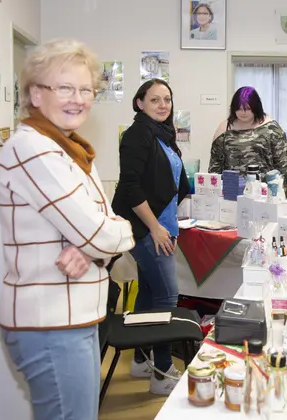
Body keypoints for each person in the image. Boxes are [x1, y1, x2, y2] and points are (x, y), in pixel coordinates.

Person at [0, 38, 135, 420]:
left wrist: (92, 247)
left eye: (86, 90)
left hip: (75, 317)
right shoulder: (34, 149)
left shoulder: (70, 149)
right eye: (65, 88)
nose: (78, 99)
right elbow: (104, 231)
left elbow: (108, 225)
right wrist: (97, 242)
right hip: (50, 323)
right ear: (36, 94)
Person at [112, 78, 191, 395]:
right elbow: (131, 187)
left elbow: (168, 184)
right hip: (147, 228)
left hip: (162, 225)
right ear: (139, 103)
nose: (162, 105)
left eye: (167, 99)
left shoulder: (162, 134)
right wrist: (156, 227)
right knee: (166, 297)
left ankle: (141, 361)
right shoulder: (137, 135)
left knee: (147, 293)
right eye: (155, 99)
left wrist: (170, 223)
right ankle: (162, 372)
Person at [209, 86, 287, 177]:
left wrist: (278, 186)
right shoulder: (224, 130)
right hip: (231, 184)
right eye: (239, 109)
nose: (243, 112)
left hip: (264, 184)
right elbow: (215, 167)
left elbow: (281, 166)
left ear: (255, 107)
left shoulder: (272, 129)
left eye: (248, 108)